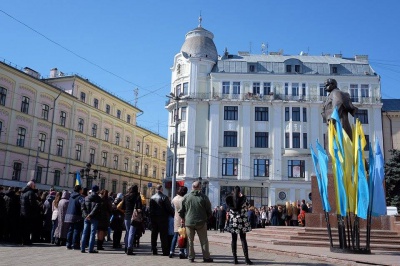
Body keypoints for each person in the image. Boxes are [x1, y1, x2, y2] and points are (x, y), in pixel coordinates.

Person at [179, 181, 213, 263]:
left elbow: (181, 211)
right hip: (201, 222)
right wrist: (206, 218)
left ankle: (191, 257)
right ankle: (206, 257)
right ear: (200, 187)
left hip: (189, 222)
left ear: (192, 187)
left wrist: (184, 218)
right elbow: (209, 211)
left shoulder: (186, 197)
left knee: (190, 241)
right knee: (204, 240)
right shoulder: (204, 197)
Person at [225, 186, 253, 265]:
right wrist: (242, 196)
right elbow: (248, 205)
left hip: (233, 222)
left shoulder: (229, 200)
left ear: (233, 192)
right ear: (239, 192)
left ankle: (235, 259)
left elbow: (229, 208)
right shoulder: (244, 199)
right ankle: (246, 259)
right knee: (243, 239)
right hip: (242, 222)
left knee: (234, 240)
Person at [149, 184, 174, 256]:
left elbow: (150, 210)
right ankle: (164, 251)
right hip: (163, 219)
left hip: (154, 219)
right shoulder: (164, 197)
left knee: (154, 234)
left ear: (156, 189)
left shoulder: (152, 198)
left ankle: (154, 249)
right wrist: (173, 214)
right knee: (163, 235)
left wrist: (151, 219)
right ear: (161, 189)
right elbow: (169, 208)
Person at [120, 185, 142, 255]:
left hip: (126, 216)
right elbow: (139, 207)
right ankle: (130, 249)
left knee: (127, 232)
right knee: (131, 233)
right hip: (134, 216)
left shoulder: (126, 196)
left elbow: (123, 207)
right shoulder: (137, 197)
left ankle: (126, 247)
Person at [81, 185, 101, 253]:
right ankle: (90, 249)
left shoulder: (86, 198)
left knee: (84, 232)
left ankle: (82, 248)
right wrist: (90, 215)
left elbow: (83, 207)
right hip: (94, 217)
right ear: (97, 190)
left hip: (86, 217)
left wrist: (86, 215)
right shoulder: (98, 198)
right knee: (92, 233)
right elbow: (96, 208)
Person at [169, 186, 188, 259]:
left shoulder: (174, 199)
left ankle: (171, 251)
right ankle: (181, 251)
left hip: (176, 218)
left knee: (175, 236)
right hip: (183, 219)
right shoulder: (184, 199)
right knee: (182, 236)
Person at [20, 181, 40, 245]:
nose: (35, 187)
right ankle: (27, 241)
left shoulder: (23, 192)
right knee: (28, 228)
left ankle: (23, 240)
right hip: (29, 213)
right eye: (34, 186)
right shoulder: (31, 193)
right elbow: (33, 203)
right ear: (31, 186)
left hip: (23, 212)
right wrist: (37, 205)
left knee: (24, 228)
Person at [65, 185, 84, 250]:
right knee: (76, 230)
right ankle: (75, 245)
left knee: (70, 230)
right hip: (77, 215)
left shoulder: (70, 197)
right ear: (79, 190)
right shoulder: (80, 197)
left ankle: (68, 244)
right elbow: (82, 206)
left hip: (69, 215)